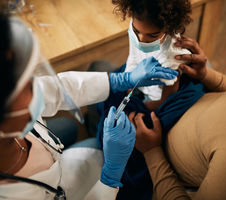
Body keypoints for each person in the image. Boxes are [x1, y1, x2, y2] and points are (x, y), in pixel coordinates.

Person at [0, 15, 178, 200]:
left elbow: (58, 88)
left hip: (58, 164)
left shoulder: (13, 110)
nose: (38, 87)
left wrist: (119, 80)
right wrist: (111, 176)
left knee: (69, 128)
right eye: (26, 87)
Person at [130, 14, 226, 200]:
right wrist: (205, 75)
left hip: (156, 160)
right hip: (191, 102)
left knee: (104, 109)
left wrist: (151, 152)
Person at [95, 1, 205, 199]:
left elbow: (164, 100)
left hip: (154, 101)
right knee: (106, 97)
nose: (142, 40)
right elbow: (133, 59)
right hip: (137, 84)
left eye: (152, 36)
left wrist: (140, 105)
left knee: (124, 139)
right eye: (137, 32)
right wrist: (128, 81)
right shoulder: (137, 29)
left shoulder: (174, 55)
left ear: (169, 28)